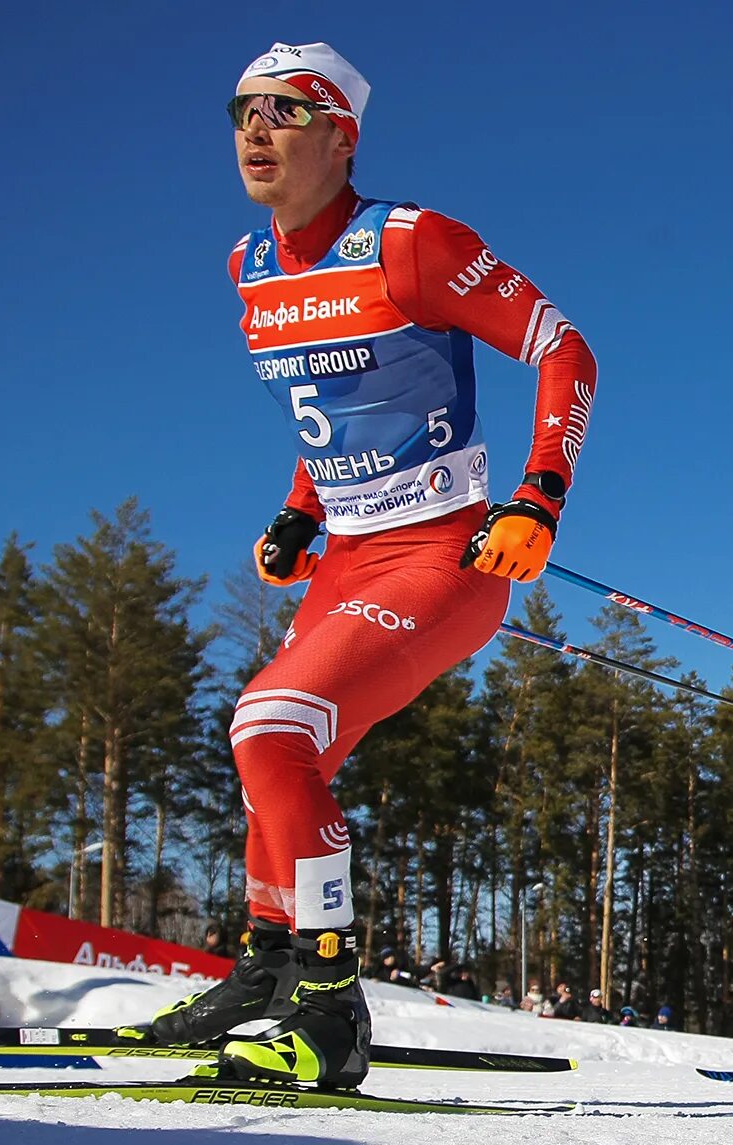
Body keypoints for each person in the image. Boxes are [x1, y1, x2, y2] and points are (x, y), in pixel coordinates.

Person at [142, 41, 597, 1090]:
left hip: (445, 552)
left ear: (343, 135)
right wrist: (299, 516)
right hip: (347, 559)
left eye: (287, 112)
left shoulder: (413, 241)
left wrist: (539, 496)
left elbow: (564, 348)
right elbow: (327, 412)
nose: (256, 131)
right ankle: (264, 970)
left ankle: (331, 1001)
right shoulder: (249, 267)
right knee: (279, 758)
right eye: (242, 110)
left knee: (271, 724)